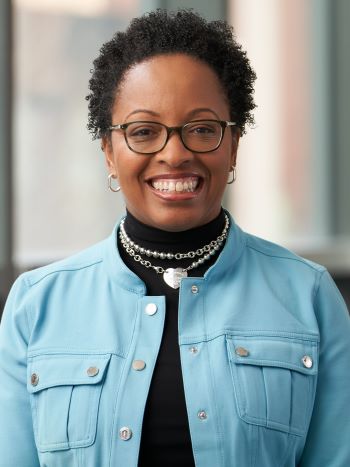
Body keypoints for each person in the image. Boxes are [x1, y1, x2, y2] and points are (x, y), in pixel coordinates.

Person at [0, 9, 349, 467]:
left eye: (202, 129)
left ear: (234, 144)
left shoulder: (309, 296)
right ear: (108, 151)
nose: (175, 153)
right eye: (144, 132)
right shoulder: (36, 304)